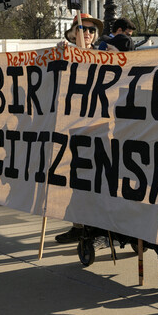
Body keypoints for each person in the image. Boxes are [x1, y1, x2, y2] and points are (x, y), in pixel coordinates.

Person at [55, 13, 103, 244]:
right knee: (75, 178)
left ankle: (97, 228)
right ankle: (78, 226)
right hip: (73, 127)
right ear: (72, 31)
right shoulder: (62, 52)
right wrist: (58, 55)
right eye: (83, 28)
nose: (88, 33)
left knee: (96, 180)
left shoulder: (106, 54)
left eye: (92, 30)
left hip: (99, 128)